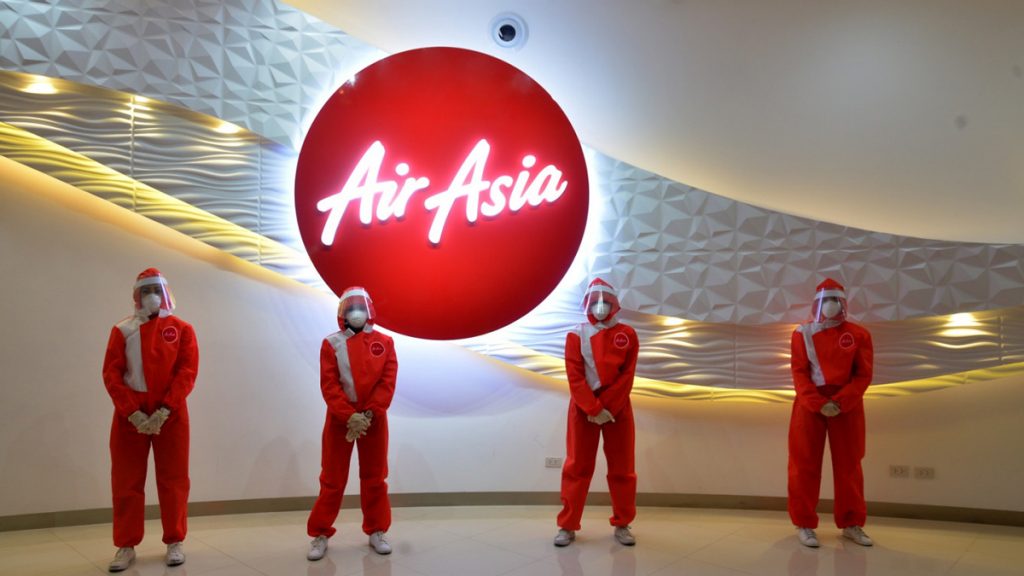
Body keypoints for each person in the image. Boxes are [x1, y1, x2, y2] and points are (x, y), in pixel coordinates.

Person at [102, 268, 198, 572]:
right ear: (136, 295)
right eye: (146, 291)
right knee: (126, 481)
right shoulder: (122, 330)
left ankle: (174, 541)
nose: (152, 296)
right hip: (130, 418)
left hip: (171, 415)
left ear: (165, 292)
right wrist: (132, 412)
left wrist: (165, 410)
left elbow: (187, 372)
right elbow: (112, 374)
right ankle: (126, 545)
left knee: (174, 479)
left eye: (157, 289)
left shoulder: (182, 329)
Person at [307, 287, 398, 561]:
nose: (356, 312)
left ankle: (377, 530)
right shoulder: (331, 343)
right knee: (332, 479)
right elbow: (329, 385)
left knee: (375, 478)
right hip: (340, 421)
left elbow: (387, 383)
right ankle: (320, 533)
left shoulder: (385, 342)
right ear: (343, 313)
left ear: (368, 310)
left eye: (360, 307)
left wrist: (368, 415)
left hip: (374, 421)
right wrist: (349, 416)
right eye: (350, 308)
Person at [788, 278, 874, 548]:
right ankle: (804, 524)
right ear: (817, 303)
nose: (830, 305)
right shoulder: (802, 333)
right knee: (804, 465)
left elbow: (863, 374)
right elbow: (799, 373)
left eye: (835, 300)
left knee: (849, 465)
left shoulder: (859, 334)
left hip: (846, 406)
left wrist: (840, 401)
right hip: (809, 404)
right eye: (826, 300)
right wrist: (817, 402)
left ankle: (851, 523)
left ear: (843, 302)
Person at [554, 278, 640, 547]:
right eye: (596, 301)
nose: (601, 306)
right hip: (583, 410)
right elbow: (574, 376)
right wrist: (592, 408)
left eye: (606, 301)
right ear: (587, 304)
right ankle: (567, 525)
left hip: (618, 410)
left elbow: (627, 375)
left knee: (623, 469)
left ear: (615, 304)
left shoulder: (628, 334)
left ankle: (623, 523)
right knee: (576, 467)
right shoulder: (576, 334)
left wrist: (608, 408)